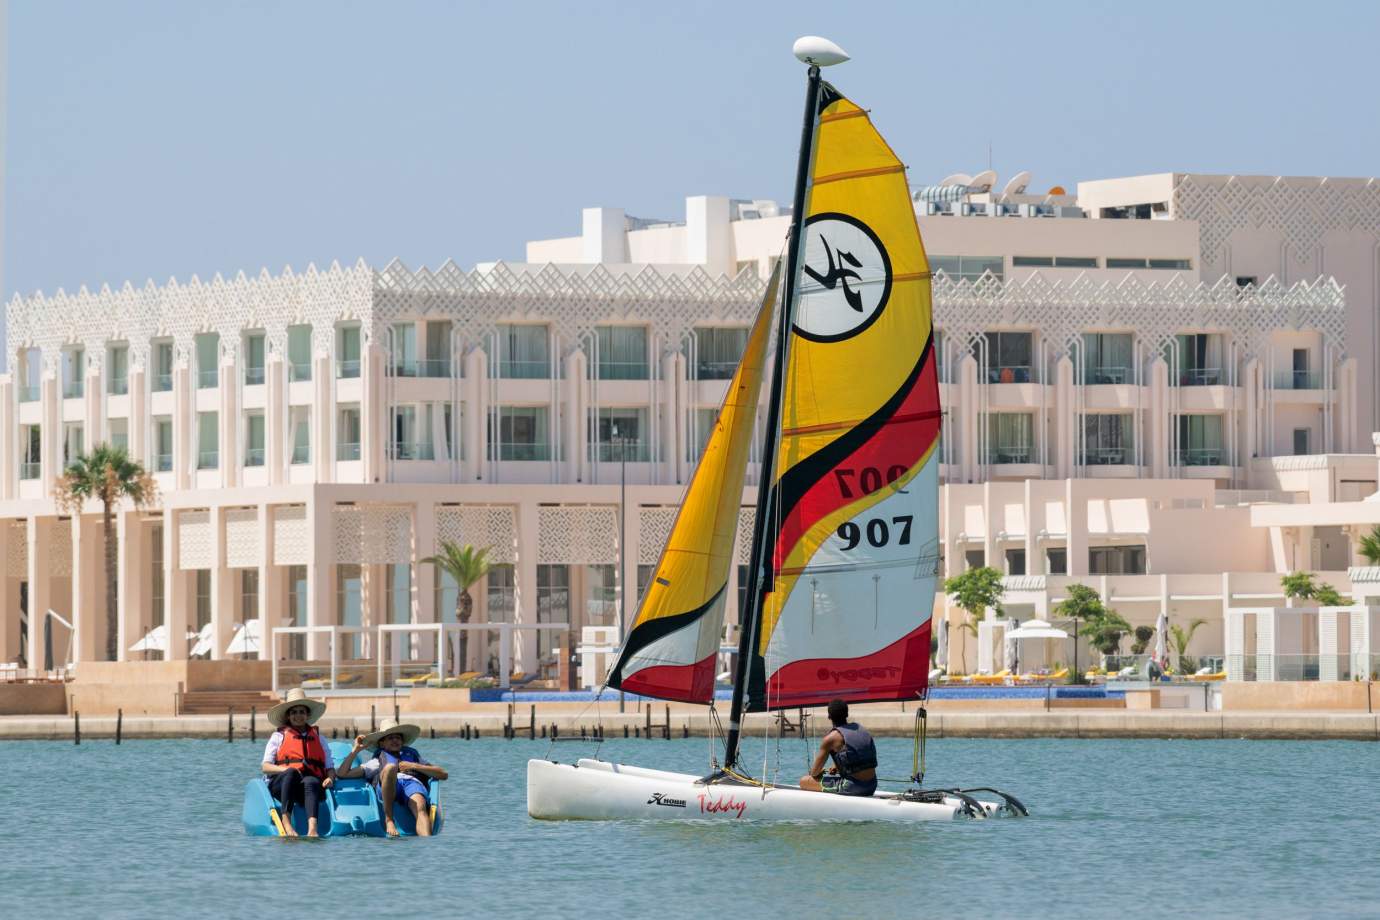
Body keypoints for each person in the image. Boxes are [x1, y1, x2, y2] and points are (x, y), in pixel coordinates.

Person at [338, 719, 448, 837]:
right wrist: (355, 751)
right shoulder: (377, 761)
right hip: (389, 785)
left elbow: (443, 774)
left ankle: (426, 840)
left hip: (412, 783)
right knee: (390, 768)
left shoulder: (413, 756)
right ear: (382, 743)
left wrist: (413, 765)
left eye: (398, 738)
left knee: (420, 806)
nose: (395, 740)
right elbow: (342, 774)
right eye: (390, 738)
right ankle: (389, 820)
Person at [261, 687, 337, 837]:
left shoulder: (319, 739)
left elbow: (329, 767)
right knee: (290, 773)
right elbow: (265, 767)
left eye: (302, 712)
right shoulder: (278, 736)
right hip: (282, 786)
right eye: (294, 712)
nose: (298, 715)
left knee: (312, 781)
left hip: (308, 789)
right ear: (288, 716)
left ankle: (313, 829)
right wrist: (286, 769)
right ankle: (286, 821)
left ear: (307, 715)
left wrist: (330, 778)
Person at [799, 698, 878, 797]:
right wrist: (837, 766)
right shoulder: (860, 729)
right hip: (872, 785)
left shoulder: (830, 739)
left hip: (853, 787)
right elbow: (855, 753)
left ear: (829, 716)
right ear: (847, 714)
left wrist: (819, 772)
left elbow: (814, 773)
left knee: (804, 781)